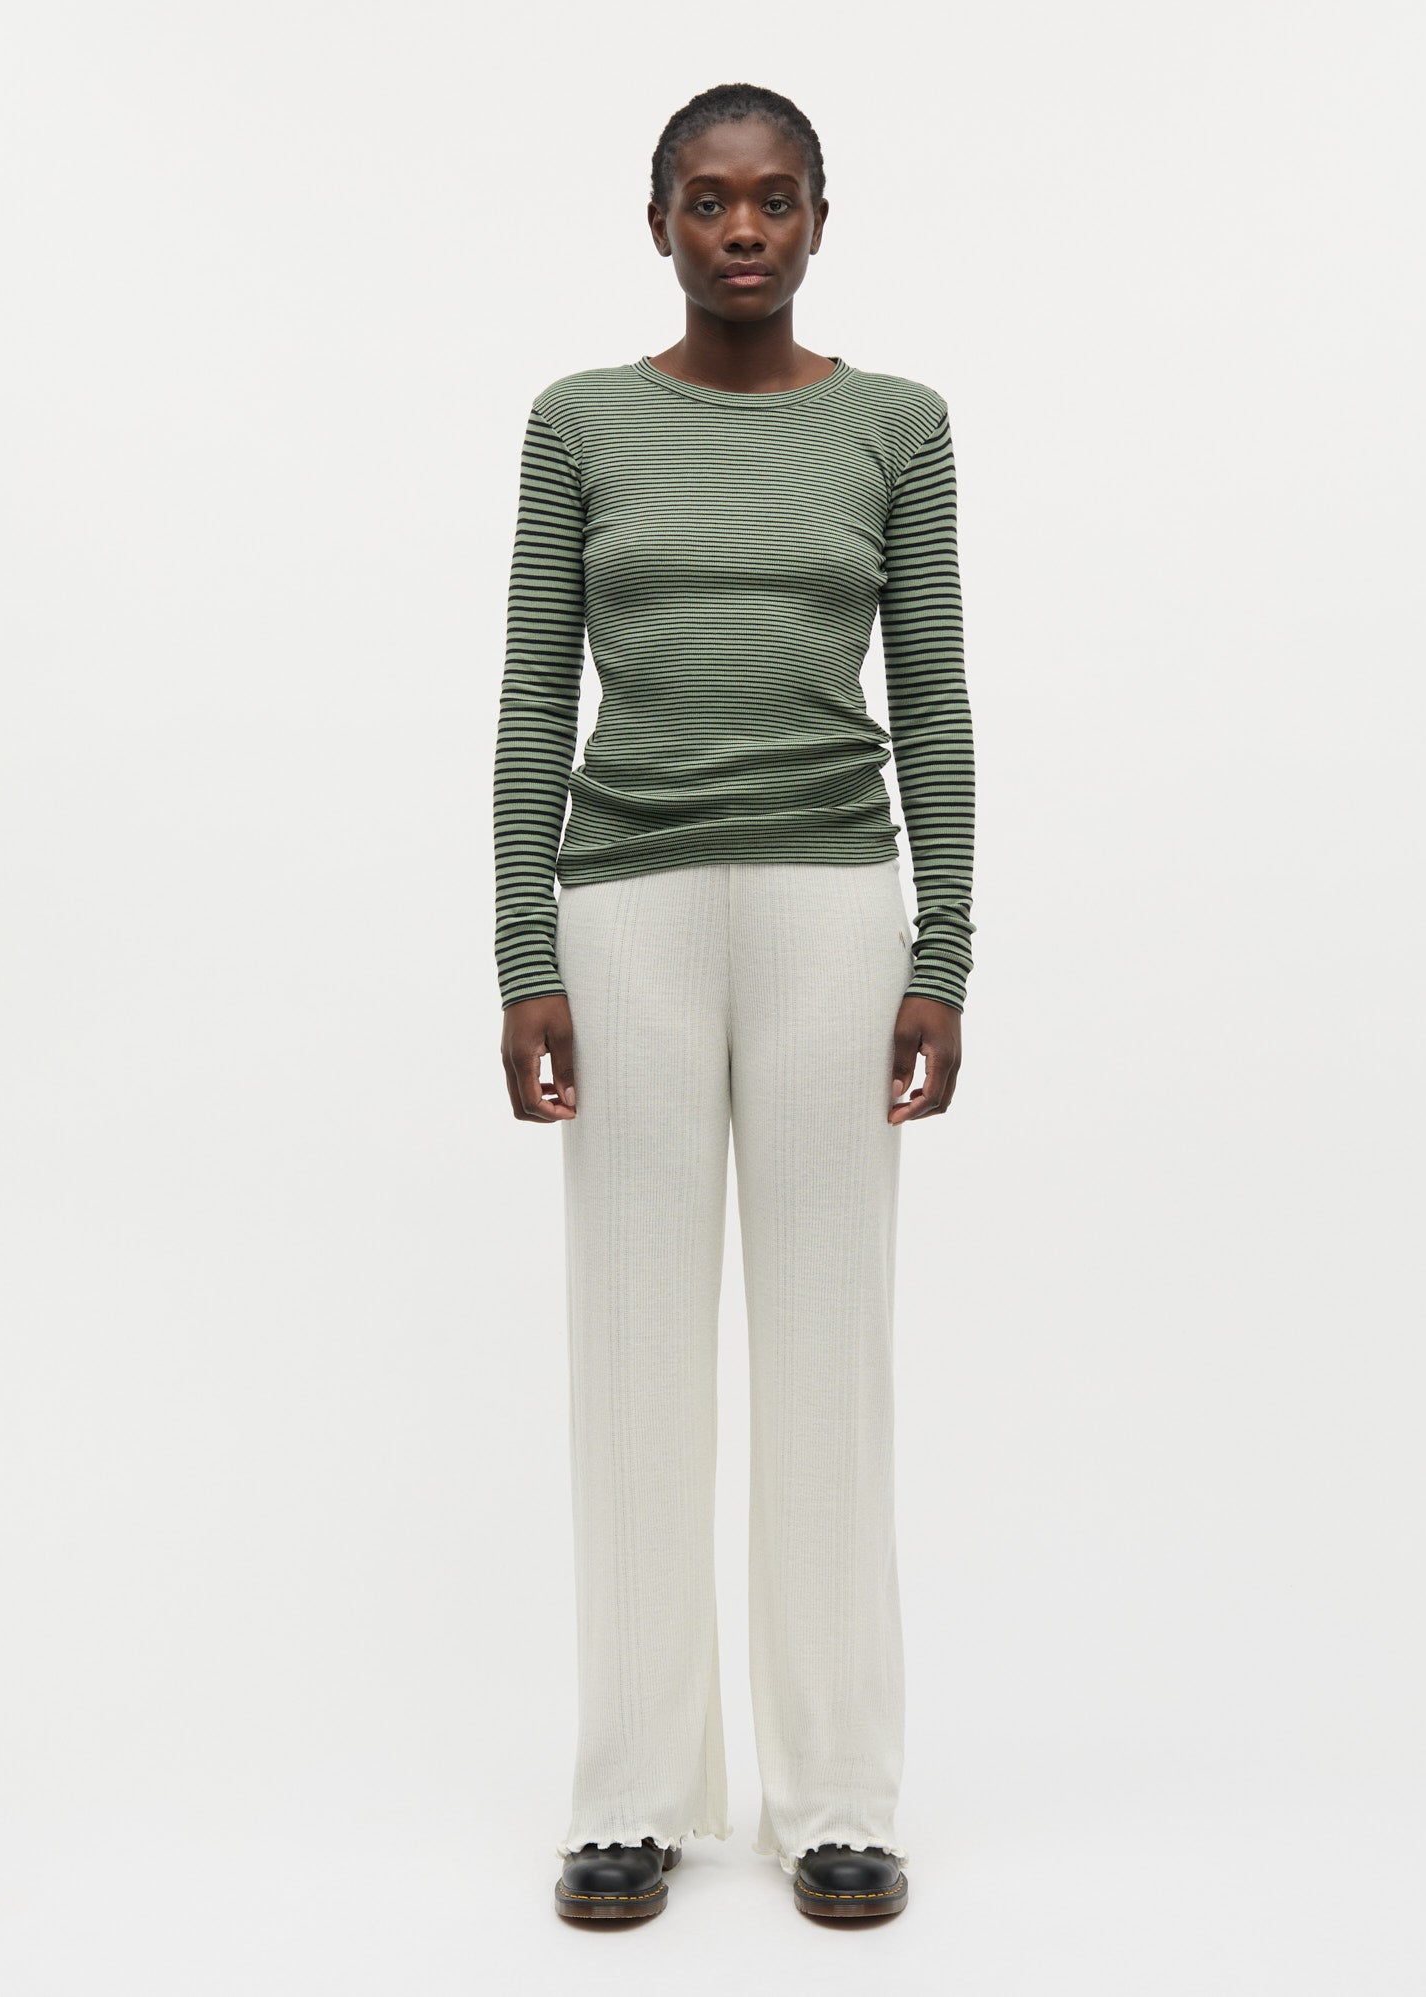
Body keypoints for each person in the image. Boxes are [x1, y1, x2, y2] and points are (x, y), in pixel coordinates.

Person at [493, 81, 976, 1925]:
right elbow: (534, 692)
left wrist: (943, 954)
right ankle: (630, 1790)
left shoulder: (895, 426)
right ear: (661, 223)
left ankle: (839, 1792)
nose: (745, 230)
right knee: (632, 1345)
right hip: (624, 909)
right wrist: (524, 954)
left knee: (830, 1348)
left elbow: (933, 697)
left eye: (775, 199)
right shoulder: (579, 423)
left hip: (834, 907)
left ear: (822, 218)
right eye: (710, 201)